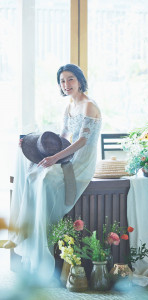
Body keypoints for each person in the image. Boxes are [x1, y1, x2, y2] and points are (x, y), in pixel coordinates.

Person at [3, 64, 102, 282]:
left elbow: (81, 141)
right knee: (30, 167)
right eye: (62, 81)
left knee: (45, 178)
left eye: (70, 79)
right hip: (67, 156)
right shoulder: (69, 106)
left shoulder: (88, 105)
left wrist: (55, 159)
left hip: (82, 162)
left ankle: (41, 236)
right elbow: (63, 137)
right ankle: (23, 231)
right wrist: (41, 151)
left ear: (80, 80)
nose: (66, 85)